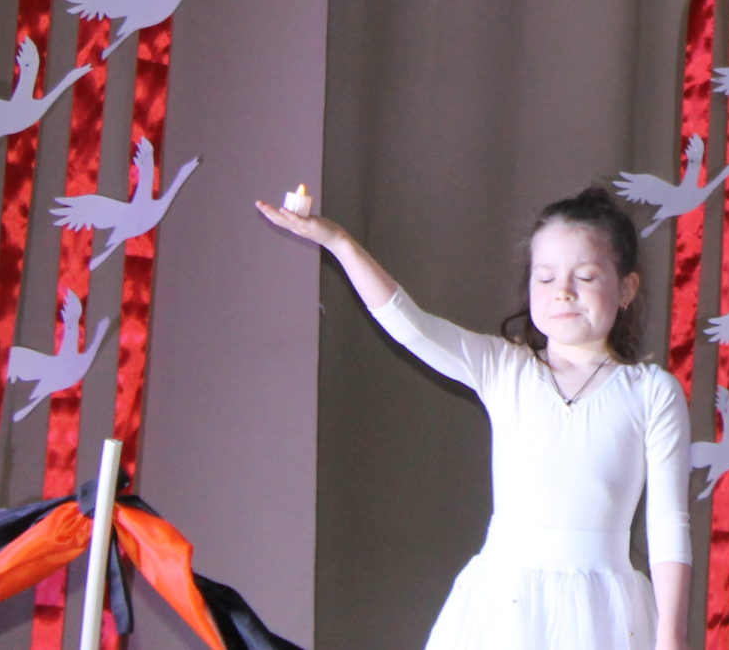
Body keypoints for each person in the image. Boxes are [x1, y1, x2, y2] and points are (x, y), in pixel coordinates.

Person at [255, 186, 690, 650]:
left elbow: (667, 523)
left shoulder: (651, 393)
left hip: (607, 615)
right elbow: (411, 326)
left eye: (584, 276)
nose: (563, 291)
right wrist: (339, 242)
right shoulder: (504, 368)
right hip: (504, 609)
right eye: (545, 278)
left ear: (626, 289)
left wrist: (671, 633)